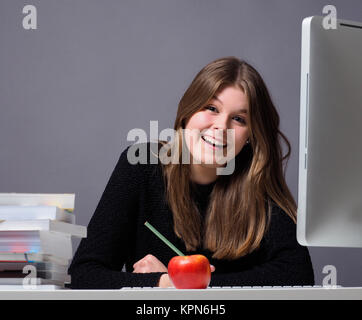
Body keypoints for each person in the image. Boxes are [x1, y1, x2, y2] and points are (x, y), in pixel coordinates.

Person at [68, 56, 315, 289]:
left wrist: (183, 282)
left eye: (239, 119)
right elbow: (83, 275)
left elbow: (299, 276)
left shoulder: (257, 181)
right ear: (187, 113)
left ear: (251, 136)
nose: (221, 126)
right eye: (211, 108)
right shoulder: (142, 165)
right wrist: (165, 283)